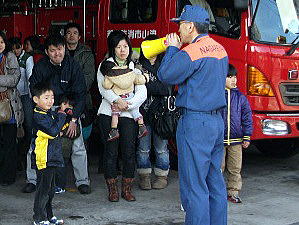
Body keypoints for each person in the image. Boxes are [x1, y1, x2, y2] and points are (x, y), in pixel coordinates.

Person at [157, 5, 228, 225]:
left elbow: (165, 75)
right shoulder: (220, 49)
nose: (178, 30)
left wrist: (171, 49)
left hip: (196, 122)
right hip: (216, 121)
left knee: (195, 186)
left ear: (190, 26)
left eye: (180, 25)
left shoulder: (191, 52)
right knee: (214, 181)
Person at [22, 34, 91, 195]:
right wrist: (43, 110)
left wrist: (74, 118)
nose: (57, 54)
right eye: (52, 51)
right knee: (35, 146)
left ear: (65, 49)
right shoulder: (41, 66)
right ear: (47, 52)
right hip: (46, 110)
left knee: (78, 146)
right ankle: (31, 180)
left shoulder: (73, 65)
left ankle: (82, 182)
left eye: (59, 49)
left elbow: (81, 93)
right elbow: (34, 89)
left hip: (69, 109)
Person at [97, 30, 147, 202]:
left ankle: (127, 189)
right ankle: (112, 189)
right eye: (118, 47)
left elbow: (142, 91)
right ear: (113, 48)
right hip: (107, 114)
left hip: (129, 115)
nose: (122, 50)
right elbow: (103, 89)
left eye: (125, 46)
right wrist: (118, 101)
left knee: (128, 151)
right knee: (110, 152)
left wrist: (129, 104)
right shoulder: (105, 65)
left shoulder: (134, 66)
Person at [136, 34, 170, 190]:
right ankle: (144, 176)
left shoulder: (165, 65)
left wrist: (147, 85)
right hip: (142, 113)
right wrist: (154, 87)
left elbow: (166, 89)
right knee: (143, 148)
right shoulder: (137, 65)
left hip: (161, 114)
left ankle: (162, 176)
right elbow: (136, 87)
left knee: (161, 147)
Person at [31, 83, 66, 225]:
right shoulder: (38, 116)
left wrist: (60, 117)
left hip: (52, 157)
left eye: (52, 97)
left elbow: (57, 129)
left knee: (50, 190)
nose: (50, 101)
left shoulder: (48, 113)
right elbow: (53, 131)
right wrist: (62, 115)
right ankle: (38, 218)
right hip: (43, 158)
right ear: (35, 99)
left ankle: (49, 216)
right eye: (46, 98)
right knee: (43, 190)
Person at [221, 64, 253, 204]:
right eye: (229, 77)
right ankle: (218, 192)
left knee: (235, 168)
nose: (233, 80)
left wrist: (247, 135)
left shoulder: (241, 98)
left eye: (235, 77)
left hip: (236, 140)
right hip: (219, 140)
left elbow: (247, 117)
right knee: (218, 168)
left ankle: (233, 192)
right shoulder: (216, 96)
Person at [101, 59, 149, 141]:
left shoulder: (110, 76)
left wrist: (106, 78)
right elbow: (138, 80)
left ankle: (114, 130)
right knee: (135, 111)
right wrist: (145, 77)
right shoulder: (128, 71)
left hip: (120, 99)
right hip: (130, 96)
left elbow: (106, 86)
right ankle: (142, 126)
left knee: (115, 115)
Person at [0, 31, 23, 186]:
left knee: (9, 143)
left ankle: (8, 176)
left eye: (1, 41)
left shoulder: (10, 57)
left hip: (9, 105)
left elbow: (15, 79)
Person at [10, 37, 34, 169]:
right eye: (13, 48)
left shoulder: (27, 58)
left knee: (29, 124)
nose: (16, 50)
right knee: (15, 124)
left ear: (22, 47)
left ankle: (28, 153)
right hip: (13, 96)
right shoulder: (9, 58)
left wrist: (32, 98)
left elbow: (30, 77)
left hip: (25, 96)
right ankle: (17, 156)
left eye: (18, 47)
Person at [64, 22, 95, 113]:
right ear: (65, 36)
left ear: (79, 37)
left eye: (75, 33)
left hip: (82, 97)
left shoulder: (87, 53)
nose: (72, 35)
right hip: (63, 98)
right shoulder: (59, 52)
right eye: (69, 33)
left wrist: (75, 91)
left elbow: (88, 77)